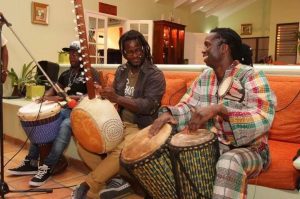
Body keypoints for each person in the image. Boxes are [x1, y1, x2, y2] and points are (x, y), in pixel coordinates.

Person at [149, 27, 276, 199]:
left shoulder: (251, 76)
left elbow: (263, 117)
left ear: (224, 48)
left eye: (208, 45)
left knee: (229, 160)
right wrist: (169, 114)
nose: (204, 49)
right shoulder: (205, 77)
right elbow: (188, 106)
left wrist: (221, 110)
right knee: (168, 150)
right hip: (215, 145)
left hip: (252, 150)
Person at [71, 30, 166, 199]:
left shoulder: (154, 74)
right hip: (118, 122)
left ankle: (88, 186)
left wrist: (118, 98)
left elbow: (149, 106)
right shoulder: (122, 70)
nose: (135, 55)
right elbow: (115, 94)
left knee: (121, 150)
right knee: (84, 145)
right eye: (130, 52)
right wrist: (104, 92)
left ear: (144, 48)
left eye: (138, 49)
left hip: (142, 126)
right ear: (124, 53)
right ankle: (117, 182)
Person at [8, 41, 100, 187]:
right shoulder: (66, 74)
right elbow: (53, 90)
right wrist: (45, 97)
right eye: (70, 53)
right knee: (40, 122)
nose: (72, 56)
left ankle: (48, 166)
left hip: (80, 112)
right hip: (63, 109)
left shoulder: (91, 73)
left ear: (83, 56)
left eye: (75, 53)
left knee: (64, 126)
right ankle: (32, 162)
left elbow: (93, 96)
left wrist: (69, 97)